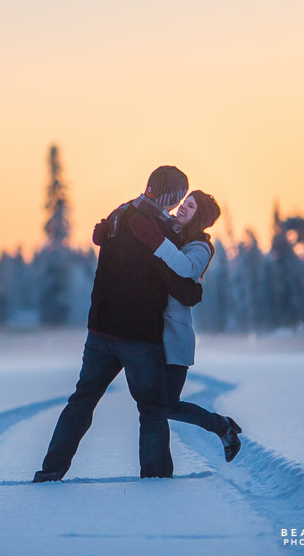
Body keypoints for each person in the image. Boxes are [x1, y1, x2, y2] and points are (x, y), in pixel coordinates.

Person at [34, 166, 203, 482]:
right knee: (152, 410)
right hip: (139, 335)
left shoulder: (120, 214)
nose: (179, 202)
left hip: (100, 330)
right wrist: (195, 290)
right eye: (179, 195)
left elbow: (101, 240)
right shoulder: (159, 232)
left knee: (82, 400)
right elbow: (178, 283)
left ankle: (51, 470)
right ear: (172, 194)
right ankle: (156, 480)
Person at [129, 190, 243, 461]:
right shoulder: (168, 229)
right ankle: (157, 465)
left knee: (168, 405)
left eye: (190, 206)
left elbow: (186, 267)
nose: (182, 208)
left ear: (199, 217)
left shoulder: (201, 247)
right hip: (152, 334)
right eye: (183, 203)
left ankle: (221, 426)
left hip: (176, 337)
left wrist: (158, 242)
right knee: (155, 405)